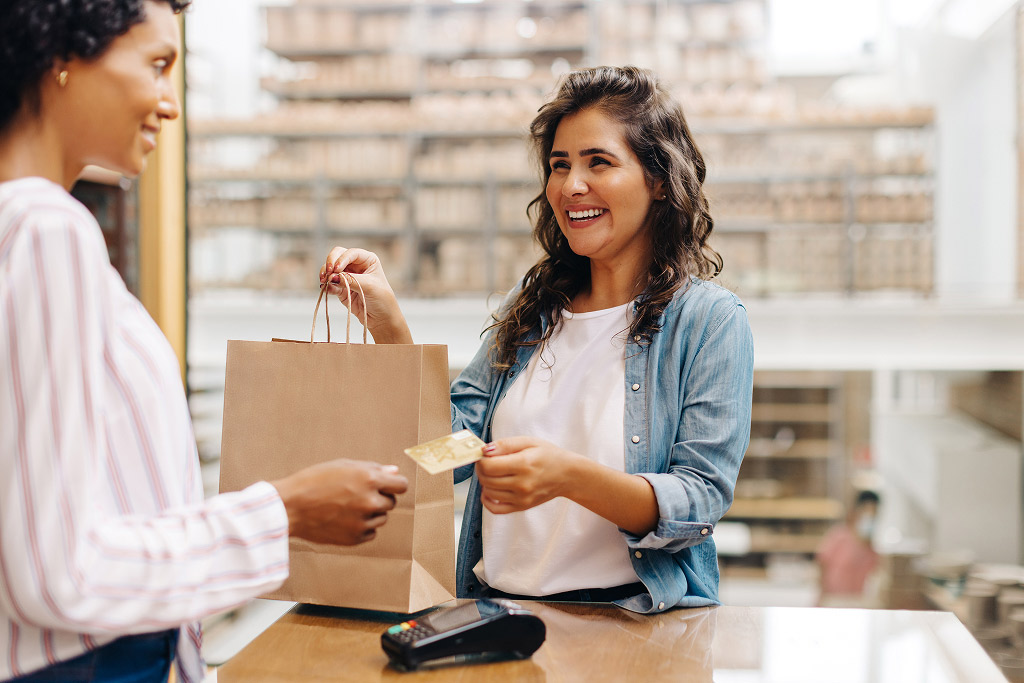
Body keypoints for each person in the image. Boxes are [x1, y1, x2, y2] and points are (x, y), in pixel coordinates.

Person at [0, 2, 408, 681]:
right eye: (157, 66)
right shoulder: (46, 229)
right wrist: (287, 508)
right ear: (60, 57)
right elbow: (55, 571)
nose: (170, 105)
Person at [320, 65, 753, 614]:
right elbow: (447, 454)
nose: (572, 186)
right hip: (498, 619)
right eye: (559, 165)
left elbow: (700, 499)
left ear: (659, 179)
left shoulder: (709, 321)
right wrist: (388, 326)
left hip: (631, 623)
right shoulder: (532, 309)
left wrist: (568, 476)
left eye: (599, 162)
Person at [816, 490, 881, 607]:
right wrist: (822, 596)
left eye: (874, 513)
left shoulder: (872, 547)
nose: (870, 516)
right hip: (833, 600)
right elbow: (822, 564)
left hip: (857, 602)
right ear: (856, 511)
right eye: (867, 511)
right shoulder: (839, 536)